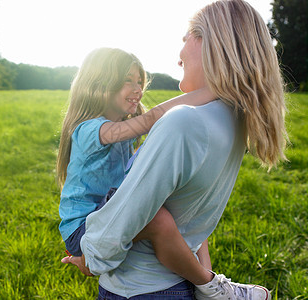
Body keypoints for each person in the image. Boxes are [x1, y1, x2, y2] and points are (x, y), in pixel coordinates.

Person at [63, 0, 287, 299]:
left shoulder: (183, 122)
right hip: (178, 283)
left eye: (185, 37)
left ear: (206, 41)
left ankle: (213, 286)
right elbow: (196, 225)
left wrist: (92, 258)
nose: (179, 54)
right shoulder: (233, 119)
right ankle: (213, 287)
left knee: (158, 220)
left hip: (139, 289)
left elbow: (132, 214)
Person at [57, 47, 218, 288]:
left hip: (106, 215)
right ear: (99, 85)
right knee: (161, 220)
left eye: (139, 82)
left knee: (181, 203)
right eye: (127, 81)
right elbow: (150, 120)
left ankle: (207, 272)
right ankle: (208, 284)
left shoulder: (120, 127)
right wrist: (215, 90)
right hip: (83, 229)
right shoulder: (89, 129)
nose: (137, 90)